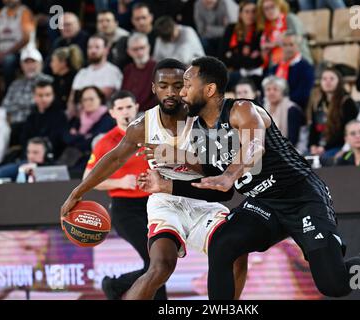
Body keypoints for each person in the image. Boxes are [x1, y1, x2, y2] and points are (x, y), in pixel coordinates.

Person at [138, 56, 360, 300]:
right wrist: (170, 185)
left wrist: (230, 174)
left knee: (336, 285)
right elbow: (219, 190)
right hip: (264, 203)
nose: (181, 91)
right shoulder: (198, 130)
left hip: (302, 197)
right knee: (222, 245)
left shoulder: (242, 110)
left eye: (187, 84)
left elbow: (254, 146)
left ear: (209, 89)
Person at [60, 59, 247, 300]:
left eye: (178, 85)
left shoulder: (204, 121)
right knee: (160, 266)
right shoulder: (143, 126)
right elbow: (114, 158)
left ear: (187, 86)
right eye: (164, 85)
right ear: (153, 88)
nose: (171, 92)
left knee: (237, 254)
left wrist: (182, 157)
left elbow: (220, 179)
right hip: (165, 203)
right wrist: (77, 192)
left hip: (202, 201)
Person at [84, 91, 167, 300]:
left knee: (160, 262)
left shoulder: (151, 133)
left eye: (128, 107)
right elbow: (88, 179)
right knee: (156, 262)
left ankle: (115, 285)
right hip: (125, 208)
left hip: (155, 204)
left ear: (137, 107)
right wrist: (120, 182)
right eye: (119, 108)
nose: (125, 112)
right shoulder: (106, 142)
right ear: (112, 112)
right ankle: (115, 285)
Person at [308, 66, 358, 159]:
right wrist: (313, 145)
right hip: (320, 147)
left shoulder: (347, 102)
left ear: (339, 81)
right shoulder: (318, 103)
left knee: (325, 159)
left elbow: (346, 131)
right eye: (324, 79)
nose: (328, 81)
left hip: (338, 146)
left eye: (332, 78)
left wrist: (324, 148)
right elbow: (313, 129)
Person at [63, 86, 115, 175]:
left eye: (91, 99)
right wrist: (85, 137)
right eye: (85, 100)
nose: (88, 102)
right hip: (77, 159)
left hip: (96, 160)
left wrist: (78, 136)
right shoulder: (79, 118)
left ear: (100, 99)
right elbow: (67, 138)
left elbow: (91, 142)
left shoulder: (107, 119)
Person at [68, 35, 123, 118]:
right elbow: (71, 100)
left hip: (105, 119)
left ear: (106, 50)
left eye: (97, 47)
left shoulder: (113, 72)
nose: (93, 51)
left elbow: (113, 99)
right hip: (80, 119)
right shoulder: (82, 73)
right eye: (90, 47)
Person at [0, 0, 35, 88]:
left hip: (20, 51)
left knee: (8, 61)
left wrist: (6, 53)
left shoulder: (25, 12)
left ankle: (8, 90)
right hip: (1, 51)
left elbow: (26, 39)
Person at [1, 46, 44, 146]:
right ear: (21, 65)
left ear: (40, 64)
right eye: (26, 63)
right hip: (13, 126)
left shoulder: (46, 82)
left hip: (35, 125)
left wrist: (17, 105)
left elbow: (38, 104)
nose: (30, 66)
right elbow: (5, 107)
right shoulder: (15, 84)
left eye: (33, 62)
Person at [219, 0, 263, 91]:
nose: (250, 15)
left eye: (253, 12)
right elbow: (222, 56)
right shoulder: (231, 29)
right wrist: (246, 59)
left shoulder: (259, 32)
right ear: (240, 14)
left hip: (252, 74)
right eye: (247, 11)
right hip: (232, 72)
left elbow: (256, 61)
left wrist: (232, 56)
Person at [272, 30, 314, 111]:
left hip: (294, 108)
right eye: (284, 45)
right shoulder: (275, 68)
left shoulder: (305, 67)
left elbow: (303, 93)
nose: (288, 48)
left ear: (298, 46)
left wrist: (282, 102)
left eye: (291, 45)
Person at [261, 75, 304, 146]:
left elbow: (293, 139)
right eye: (268, 89)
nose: (271, 92)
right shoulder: (262, 108)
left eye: (275, 89)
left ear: (283, 92)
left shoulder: (292, 109)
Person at [121, 33, 157, 112]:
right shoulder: (127, 70)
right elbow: (124, 94)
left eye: (142, 48)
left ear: (148, 48)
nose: (140, 53)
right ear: (129, 52)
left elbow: (158, 97)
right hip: (129, 112)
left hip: (150, 113)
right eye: (135, 49)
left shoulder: (157, 68)